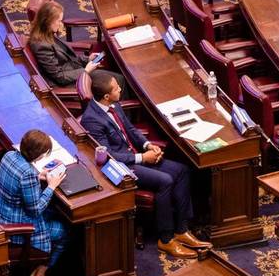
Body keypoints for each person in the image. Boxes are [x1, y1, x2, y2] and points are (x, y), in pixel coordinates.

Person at [81, 72, 211, 259]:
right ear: (106, 96)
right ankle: (165, 239)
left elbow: (131, 130)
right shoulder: (91, 119)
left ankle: (181, 230)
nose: (120, 88)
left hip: (137, 153)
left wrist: (147, 145)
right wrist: (143, 157)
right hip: (121, 167)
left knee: (182, 170)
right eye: (116, 88)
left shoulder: (114, 105)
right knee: (165, 180)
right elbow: (109, 156)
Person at [0, 129, 69, 276]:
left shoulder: (9, 156)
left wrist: (38, 175)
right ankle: (40, 272)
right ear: (38, 156)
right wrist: (51, 186)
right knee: (64, 231)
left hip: (0, 216)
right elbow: (35, 210)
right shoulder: (28, 174)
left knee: (55, 212)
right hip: (20, 229)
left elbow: (19, 178)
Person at [28, 0, 127, 95]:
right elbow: (59, 77)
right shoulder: (41, 45)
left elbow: (67, 59)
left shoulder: (47, 32)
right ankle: (125, 110)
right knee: (119, 81)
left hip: (74, 71)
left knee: (115, 71)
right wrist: (86, 71)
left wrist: (88, 59)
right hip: (70, 83)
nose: (61, 24)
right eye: (59, 21)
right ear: (47, 21)